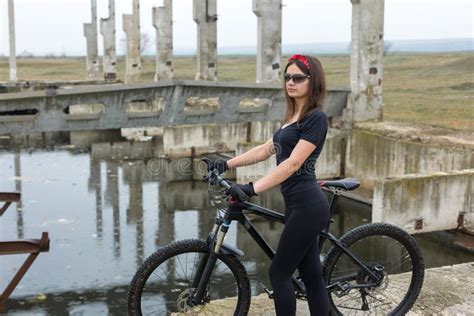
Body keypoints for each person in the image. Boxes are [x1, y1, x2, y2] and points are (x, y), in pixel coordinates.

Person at [208, 54, 330, 315]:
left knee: (279, 274)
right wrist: (227, 164)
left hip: (309, 205)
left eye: (298, 77)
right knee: (312, 276)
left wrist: (252, 188)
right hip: (296, 205)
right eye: (287, 77)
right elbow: (266, 150)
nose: (290, 82)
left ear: (313, 81)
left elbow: (293, 164)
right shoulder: (293, 116)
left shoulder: (316, 119)